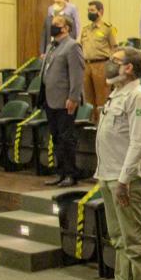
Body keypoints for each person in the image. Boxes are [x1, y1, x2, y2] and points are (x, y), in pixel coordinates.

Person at [88, 47, 141, 280]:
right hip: (108, 173)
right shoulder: (116, 93)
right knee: (118, 237)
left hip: (126, 179)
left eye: (115, 61)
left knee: (135, 239)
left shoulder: (139, 97)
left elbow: (138, 144)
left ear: (129, 68)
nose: (108, 65)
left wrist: (125, 181)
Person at [40, 15, 85, 187]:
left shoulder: (72, 46)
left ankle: (71, 174)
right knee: (56, 137)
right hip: (50, 99)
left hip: (65, 100)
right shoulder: (52, 46)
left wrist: (73, 97)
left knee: (66, 138)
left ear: (66, 28)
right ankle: (61, 172)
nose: (53, 27)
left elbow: (77, 74)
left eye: (57, 25)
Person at [80, 0, 119, 124]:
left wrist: (111, 66)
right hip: (86, 65)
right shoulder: (85, 29)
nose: (89, 13)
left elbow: (114, 48)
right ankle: (90, 124)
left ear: (100, 11)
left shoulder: (108, 28)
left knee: (102, 97)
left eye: (92, 10)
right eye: (88, 10)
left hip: (101, 64)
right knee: (88, 98)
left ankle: (103, 124)